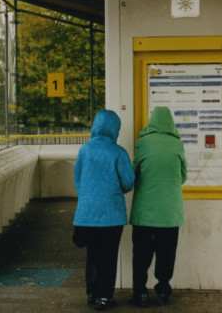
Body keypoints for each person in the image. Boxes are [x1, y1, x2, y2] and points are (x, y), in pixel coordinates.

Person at [73, 109, 135, 311]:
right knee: (108, 257)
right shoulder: (118, 152)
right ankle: (105, 297)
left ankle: (92, 293)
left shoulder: (85, 150)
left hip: (87, 214)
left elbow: (78, 180)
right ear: (114, 129)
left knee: (93, 255)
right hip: (111, 215)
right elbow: (128, 183)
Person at [128, 106, 187, 307]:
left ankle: (140, 293)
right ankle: (162, 291)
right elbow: (183, 176)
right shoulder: (177, 144)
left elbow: (133, 173)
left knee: (141, 253)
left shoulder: (142, 143)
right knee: (167, 252)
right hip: (170, 213)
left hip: (145, 211)